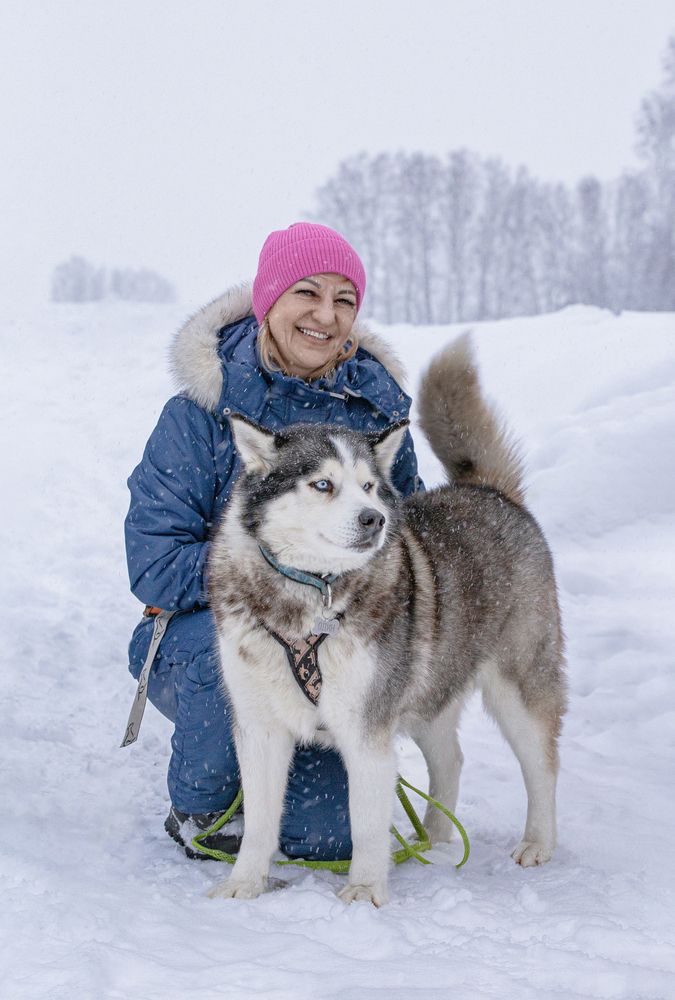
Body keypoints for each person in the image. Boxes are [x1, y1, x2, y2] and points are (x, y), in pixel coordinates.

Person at [125, 222, 424, 862]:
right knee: (225, 652)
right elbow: (155, 562)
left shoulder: (375, 417)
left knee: (326, 839)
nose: (325, 315)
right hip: (204, 636)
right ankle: (204, 806)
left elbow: (410, 536)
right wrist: (279, 589)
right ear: (268, 301)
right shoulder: (197, 416)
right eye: (307, 294)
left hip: (340, 639)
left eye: (345, 300)